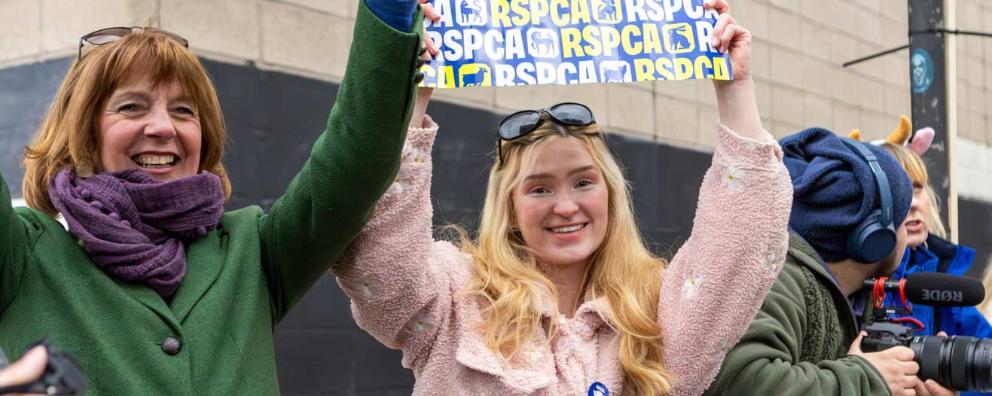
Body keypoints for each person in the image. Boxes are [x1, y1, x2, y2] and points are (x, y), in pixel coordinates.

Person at [333, 1, 793, 394]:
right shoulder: (456, 298)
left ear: (611, 193)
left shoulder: (655, 314)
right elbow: (379, 268)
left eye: (583, 182)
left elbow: (742, 245)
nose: (566, 205)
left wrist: (735, 89)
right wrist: (410, 103)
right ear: (510, 206)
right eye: (539, 188)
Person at [0, 0, 429, 393]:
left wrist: (390, 12)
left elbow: (356, 160)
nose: (163, 128)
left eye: (184, 111)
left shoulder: (252, 251)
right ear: (82, 132)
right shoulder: (25, 255)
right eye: (132, 107)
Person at [706, 128, 955, 395]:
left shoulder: (859, 295)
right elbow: (745, 381)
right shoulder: (780, 281)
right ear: (875, 238)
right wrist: (867, 379)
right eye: (902, 219)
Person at [881, 141, 991, 396]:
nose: (913, 204)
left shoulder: (947, 284)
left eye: (917, 188)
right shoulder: (860, 285)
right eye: (898, 191)